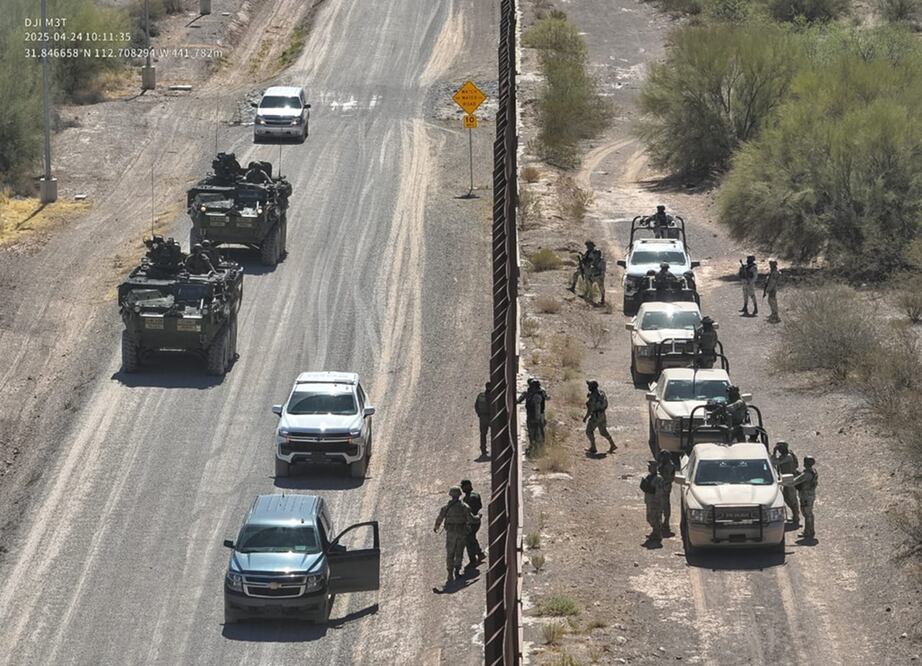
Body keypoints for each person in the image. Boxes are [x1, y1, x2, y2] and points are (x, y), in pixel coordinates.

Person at [434, 486, 475, 585]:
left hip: (451, 533)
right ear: (460, 495)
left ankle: (449, 574)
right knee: (459, 552)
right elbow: (471, 519)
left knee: (450, 553)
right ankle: (457, 571)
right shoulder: (464, 507)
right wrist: (478, 517)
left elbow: (440, 518)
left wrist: (436, 527)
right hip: (461, 532)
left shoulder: (446, 507)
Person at [583, 380, 616, 455]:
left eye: (589, 386)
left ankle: (593, 448)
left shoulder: (592, 397)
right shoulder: (602, 393)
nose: (588, 387)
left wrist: (585, 417)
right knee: (603, 431)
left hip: (595, 416)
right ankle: (612, 444)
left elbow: (590, 409)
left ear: (592, 387)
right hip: (602, 415)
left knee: (589, 431)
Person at [460, 480, 486, 569]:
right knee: (471, 538)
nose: (462, 488)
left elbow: (468, 512)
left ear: (467, 486)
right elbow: (480, 506)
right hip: (476, 520)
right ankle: (478, 554)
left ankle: (474, 558)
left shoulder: (467, 499)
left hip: (472, 521)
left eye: (463, 486)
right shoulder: (476, 495)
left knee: (469, 539)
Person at [771, 441, 800, 525]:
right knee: (786, 498)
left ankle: (796, 517)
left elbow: (775, 462)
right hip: (786, 479)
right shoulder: (783, 456)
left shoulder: (788, 456)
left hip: (791, 479)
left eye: (780, 448)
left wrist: (773, 453)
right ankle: (795, 515)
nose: (779, 450)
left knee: (792, 498)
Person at [517, 378, 548, 450]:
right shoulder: (541, 392)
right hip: (539, 415)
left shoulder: (528, 393)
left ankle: (534, 446)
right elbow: (547, 398)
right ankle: (538, 447)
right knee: (538, 431)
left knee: (534, 431)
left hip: (534, 415)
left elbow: (519, 400)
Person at [640, 460, 666, 544]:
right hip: (649, 501)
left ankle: (657, 535)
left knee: (656, 519)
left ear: (655, 468)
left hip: (655, 502)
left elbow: (659, 492)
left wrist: (650, 489)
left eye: (650, 467)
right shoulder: (649, 476)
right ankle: (654, 532)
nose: (649, 468)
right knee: (650, 518)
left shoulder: (658, 478)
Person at [793, 456, 818, 540]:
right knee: (809, 513)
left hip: (805, 496)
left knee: (807, 514)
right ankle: (811, 530)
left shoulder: (806, 474)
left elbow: (795, 481)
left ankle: (807, 532)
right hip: (810, 495)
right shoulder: (813, 471)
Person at [657, 450, 676, 535]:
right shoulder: (663, 464)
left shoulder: (669, 465)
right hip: (661, 486)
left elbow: (669, 478)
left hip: (665, 487)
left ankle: (666, 522)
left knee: (665, 504)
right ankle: (662, 522)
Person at [474, 383, 491, 458]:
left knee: (483, 434)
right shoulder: (493, 396)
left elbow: (476, 406)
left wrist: (479, 414)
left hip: (483, 417)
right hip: (491, 417)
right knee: (494, 434)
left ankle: (483, 450)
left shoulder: (481, 395)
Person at [764, 259, 782, 323]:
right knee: (771, 301)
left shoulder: (775, 272)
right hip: (772, 288)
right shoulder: (773, 272)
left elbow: (772, 282)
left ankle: (775, 316)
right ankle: (773, 314)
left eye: (771, 264)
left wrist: (768, 289)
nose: (770, 266)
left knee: (772, 302)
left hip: (773, 289)